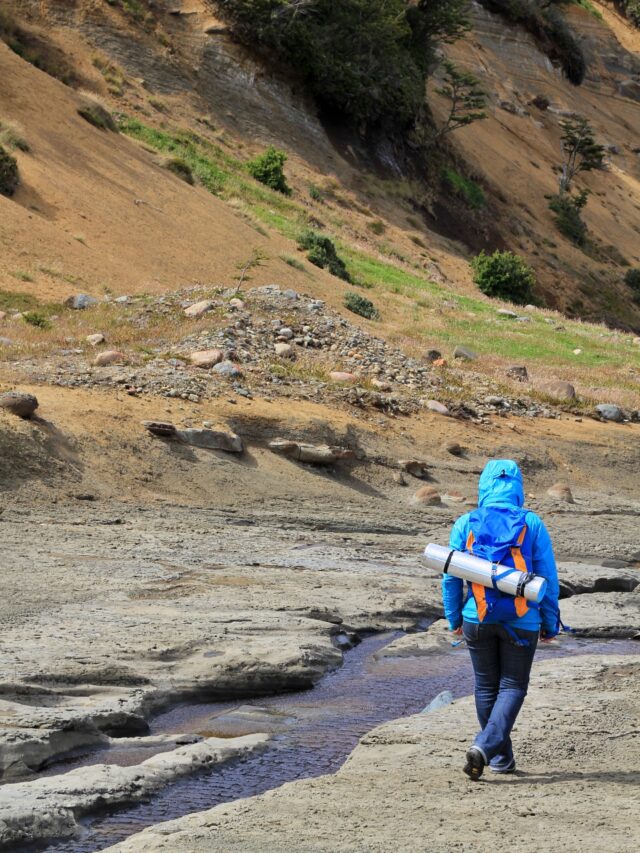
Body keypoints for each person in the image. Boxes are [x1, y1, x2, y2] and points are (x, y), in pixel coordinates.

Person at [442, 459, 560, 780]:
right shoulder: (532, 523)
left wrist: (453, 616)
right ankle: (486, 748)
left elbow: (451, 578)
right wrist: (551, 622)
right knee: (513, 686)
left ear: (483, 487)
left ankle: (498, 758)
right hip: (522, 622)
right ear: (518, 488)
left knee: (486, 687)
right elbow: (548, 577)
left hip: (476, 619)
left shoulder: (465, 523)